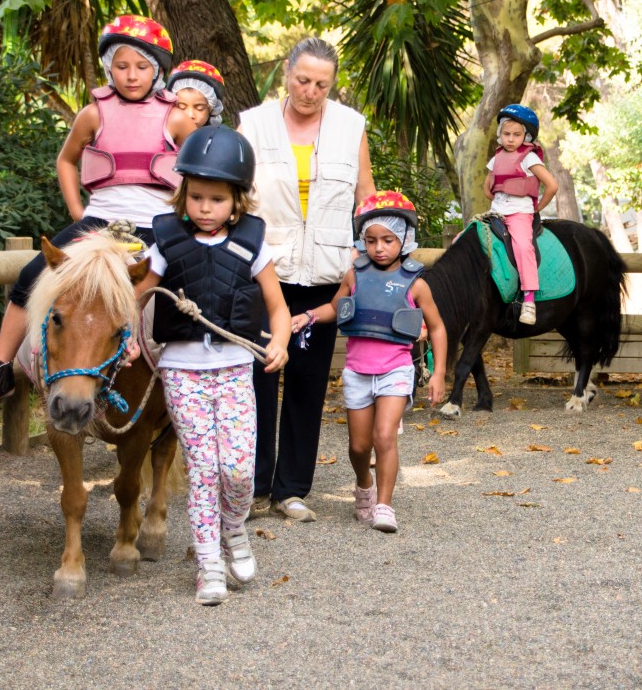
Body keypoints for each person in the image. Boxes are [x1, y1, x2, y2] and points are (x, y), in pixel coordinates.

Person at [0, 15, 197, 413]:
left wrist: (184, 220)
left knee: (191, 281)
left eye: (141, 67)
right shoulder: (93, 114)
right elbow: (66, 160)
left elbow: (199, 173)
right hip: (99, 220)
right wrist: (77, 211)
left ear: (157, 70)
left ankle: (188, 379)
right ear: (108, 67)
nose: (131, 75)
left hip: (156, 224)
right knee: (31, 275)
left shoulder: (177, 118)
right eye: (121, 66)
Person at [133, 125, 291, 605]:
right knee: (203, 468)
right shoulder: (165, 242)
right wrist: (129, 339)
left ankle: (234, 528)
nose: (205, 208)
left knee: (238, 471)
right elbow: (135, 299)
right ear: (183, 194)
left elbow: (277, 307)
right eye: (197, 197)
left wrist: (281, 341)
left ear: (237, 200)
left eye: (217, 199)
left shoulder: (252, 243)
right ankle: (208, 565)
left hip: (235, 368)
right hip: (182, 371)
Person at [237, 37, 377, 522]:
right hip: (264, 272)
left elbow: (365, 195)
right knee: (257, 378)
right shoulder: (253, 124)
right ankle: (253, 487)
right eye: (302, 80)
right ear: (287, 73)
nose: (310, 92)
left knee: (308, 381)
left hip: (324, 275)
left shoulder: (351, 126)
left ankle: (292, 489)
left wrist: (363, 254)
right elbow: (236, 194)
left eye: (321, 84)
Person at [292, 192, 447, 533]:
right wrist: (307, 316)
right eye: (372, 240)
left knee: (384, 437)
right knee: (359, 446)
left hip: (396, 370)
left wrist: (438, 373)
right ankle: (364, 485)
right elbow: (335, 307)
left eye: (388, 240)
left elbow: (437, 327)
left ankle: (384, 506)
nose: (379, 248)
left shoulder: (417, 284)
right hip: (358, 372)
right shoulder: (354, 275)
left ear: (404, 239)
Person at [482, 104, 559, 325]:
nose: (510, 139)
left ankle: (529, 299)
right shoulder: (496, 158)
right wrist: (500, 199)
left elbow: (552, 186)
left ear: (526, 136)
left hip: (519, 214)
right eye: (506, 134)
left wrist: (537, 208)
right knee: (464, 237)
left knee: (524, 247)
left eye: (516, 135)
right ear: (500, 134)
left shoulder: (529, 158)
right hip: (496, 213)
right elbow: (487, 188)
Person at [168, 60, 226, 128]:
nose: (190, 115)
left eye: (199, 108)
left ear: (211, 110)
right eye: (182, 107)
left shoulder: (220, 134)